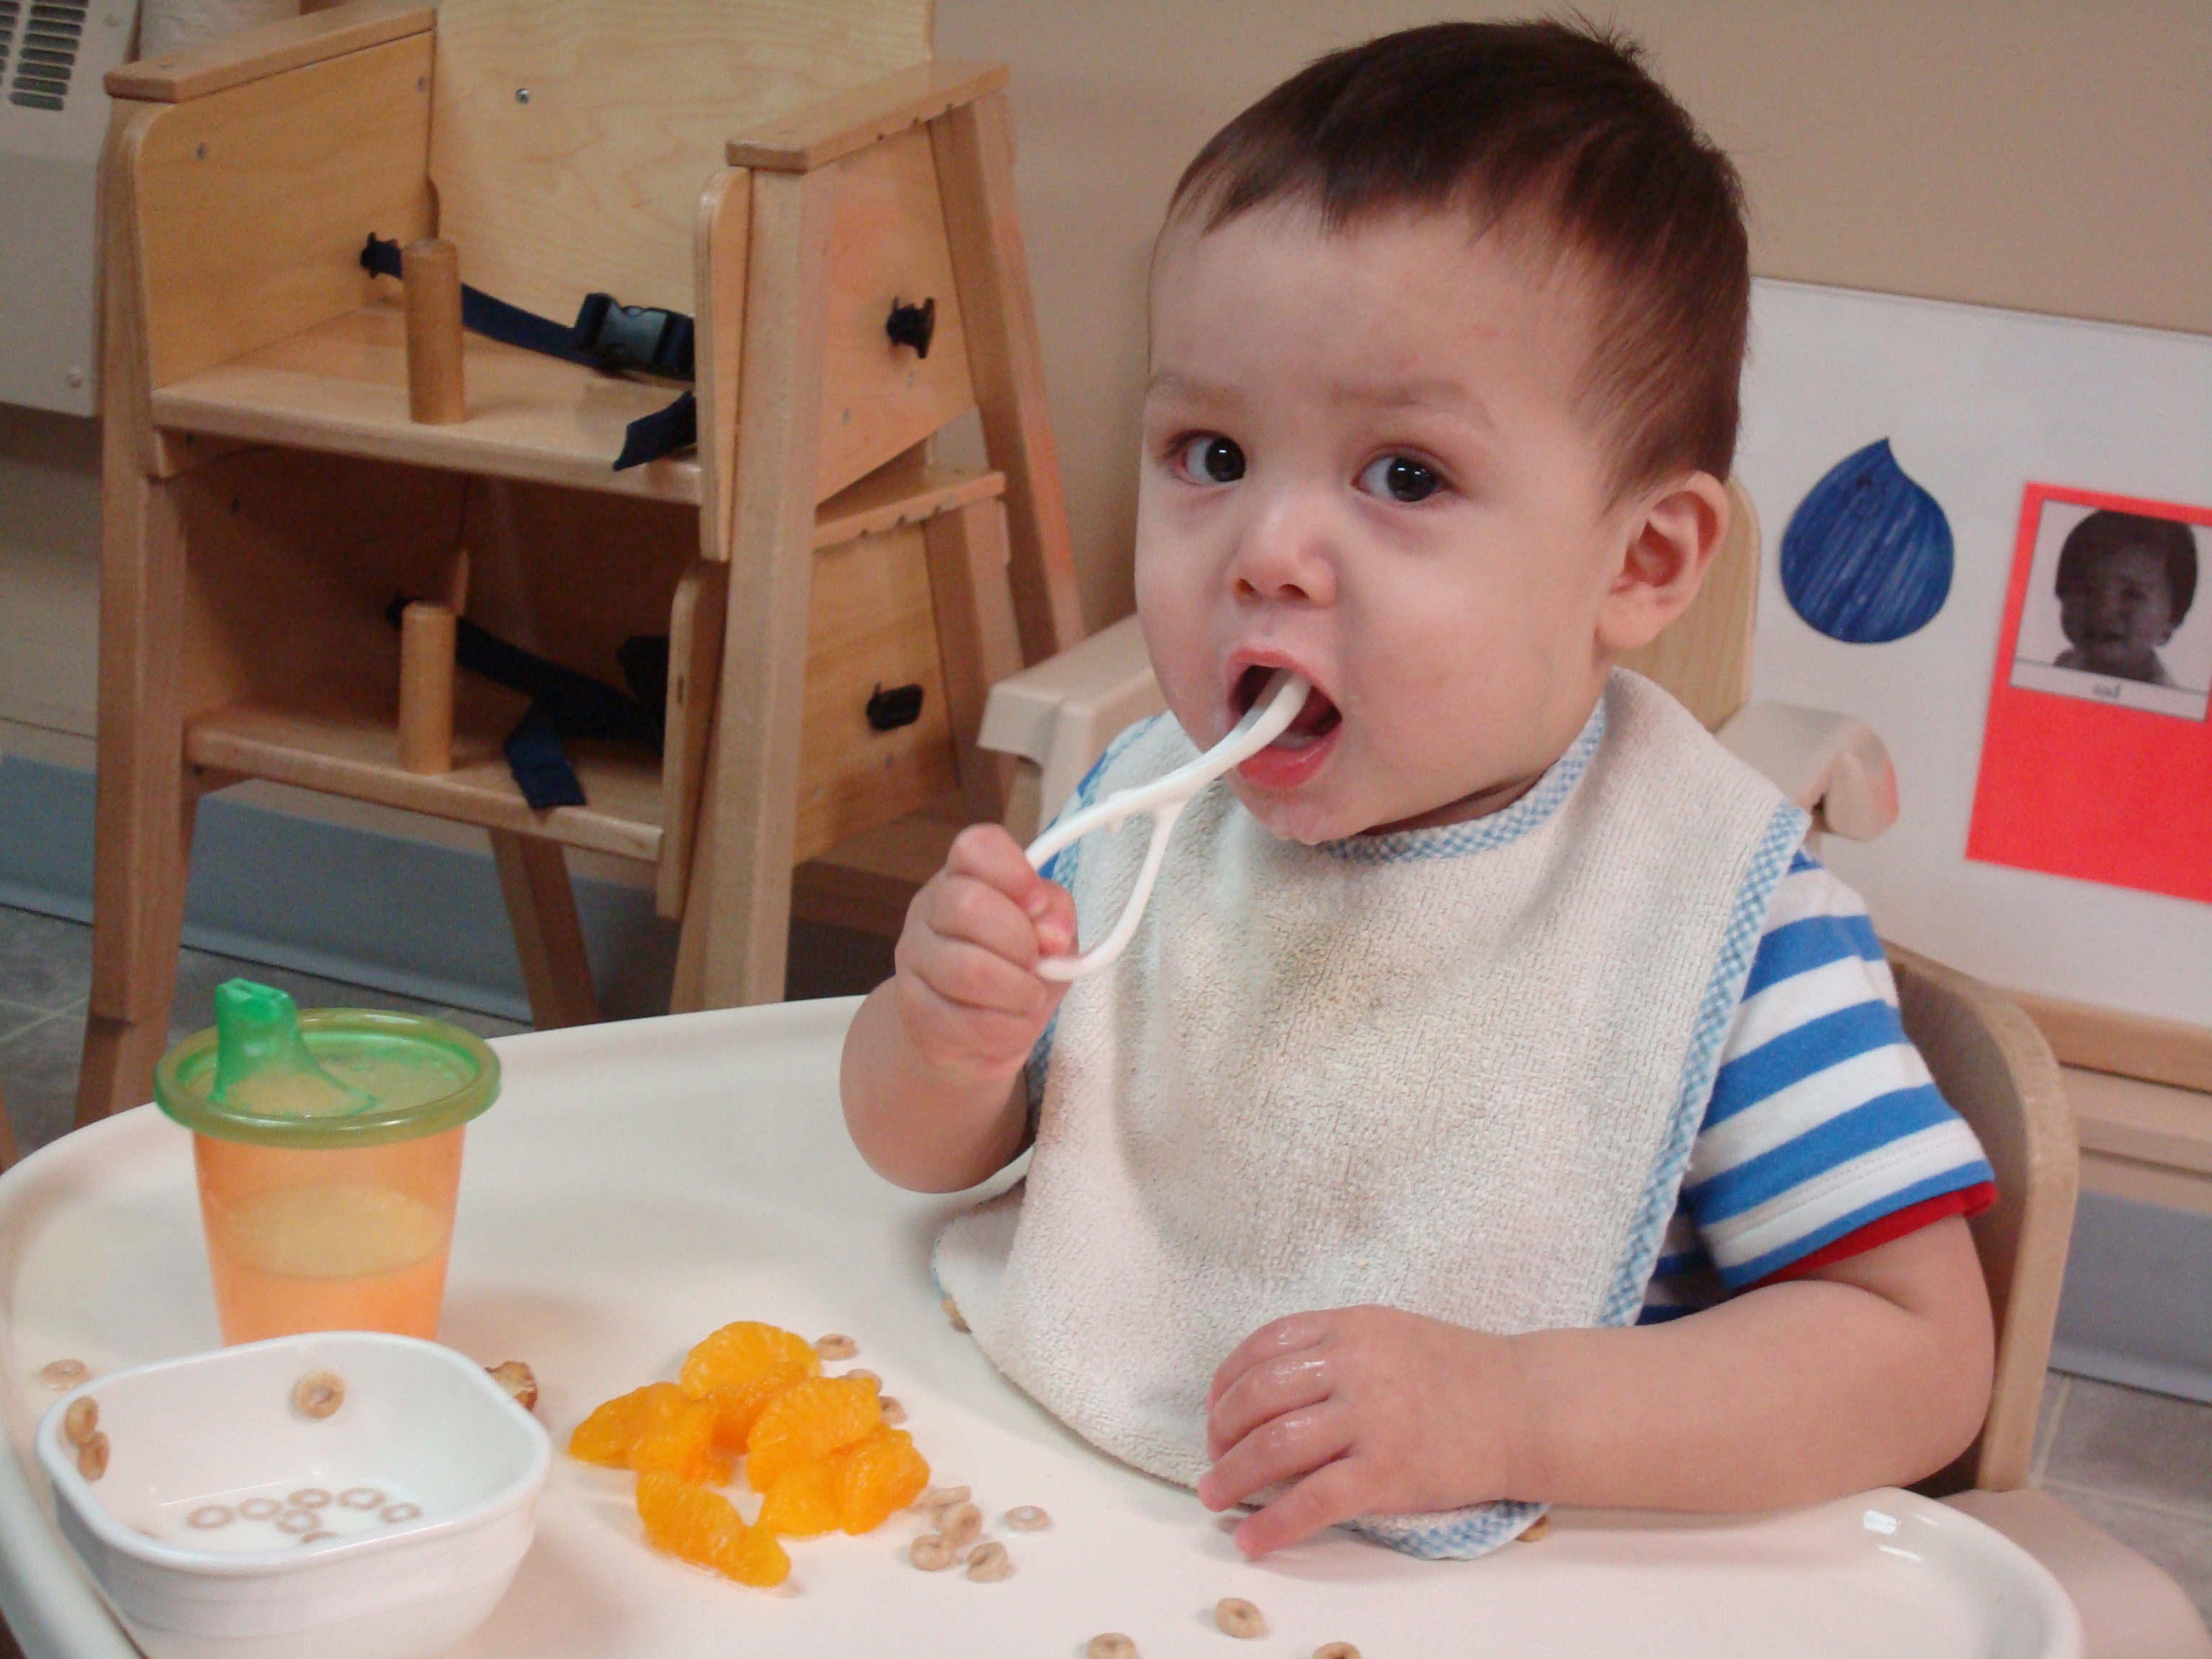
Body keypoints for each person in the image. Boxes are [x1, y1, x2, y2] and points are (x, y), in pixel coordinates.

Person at [840, 21, 1997, 1560]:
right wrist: (943, 1043)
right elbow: (922, 1155)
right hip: (1093, 1525)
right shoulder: (1150, 812)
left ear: (1639, 561)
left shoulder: (1723, 921)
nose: (1262, 549)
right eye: (1210, 450)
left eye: (1404, 477)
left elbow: (1921, 1357)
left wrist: (1515, 1412)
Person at [2052, 508, 2198, 688]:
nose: (2102, 611)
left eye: (2132, 595)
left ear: (2173, 618)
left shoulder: (2163, 701)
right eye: (2085, 589)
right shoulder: (2063, 666)